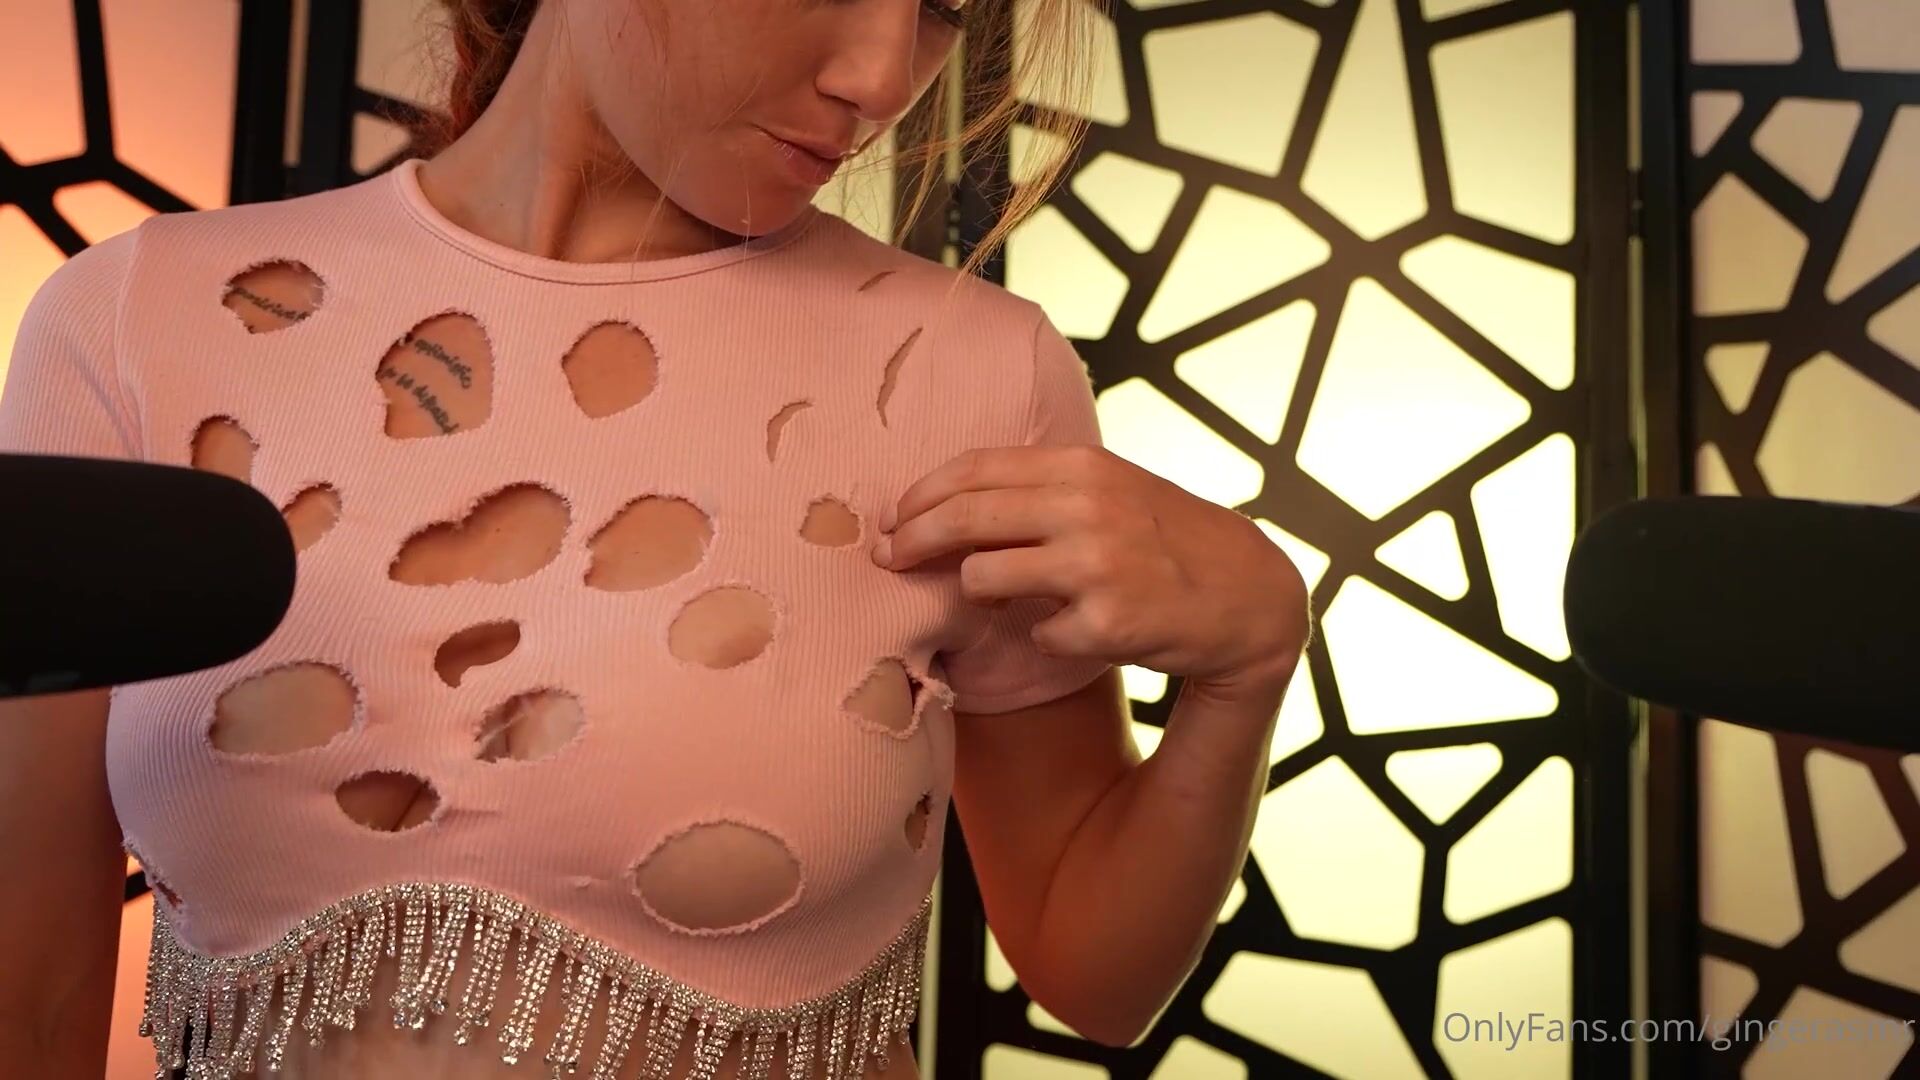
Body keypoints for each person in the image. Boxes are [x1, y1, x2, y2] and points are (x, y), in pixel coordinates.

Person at [0, 0, 1310, 1076]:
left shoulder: (974, 376)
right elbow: (33, 1002)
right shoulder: (141, 323)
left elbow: (1098, 975)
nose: (878, 78)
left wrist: (1249, 669)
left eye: (944, 8)